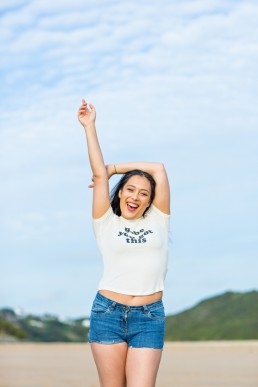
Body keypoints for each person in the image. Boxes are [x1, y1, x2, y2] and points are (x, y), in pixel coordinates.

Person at [78, 99, 170, 387]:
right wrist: (89, 126)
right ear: (119, 194)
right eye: (130, 189)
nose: (136, 196)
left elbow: (158, 168)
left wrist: (114, 167)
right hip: (108, 312)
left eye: (144, 193)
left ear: (150, 201)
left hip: (149, 316)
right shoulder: (106, 221)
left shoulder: (158, 219)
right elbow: (98, 177)